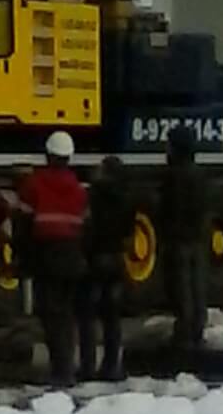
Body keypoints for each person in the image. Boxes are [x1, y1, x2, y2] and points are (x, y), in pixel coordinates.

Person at [15, 131, 88, 387]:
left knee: (50, 314)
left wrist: (21, 261)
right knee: (66, 314)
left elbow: (23, 225)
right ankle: (66, 365)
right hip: (72, 258)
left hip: (47, 258)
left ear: (48, 154)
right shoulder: (79, 189)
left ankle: (61, 370)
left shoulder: (34, 185)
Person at [78, 154, 135, 383]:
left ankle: (88, 365)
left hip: (94, 259)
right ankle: (112, 365)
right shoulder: (127, 198)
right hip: (116, 259)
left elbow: (87, 226)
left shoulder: (93, 196)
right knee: (112, 317)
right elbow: (129, 231)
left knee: (87, 316)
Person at [159, 127, 210, 366]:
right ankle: (197, 331)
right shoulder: (199, 174)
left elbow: (169, 208)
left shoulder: (173, 175)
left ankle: (184, 335)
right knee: (197, 287)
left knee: (181, 289)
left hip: (178, 239)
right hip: (196, 238)